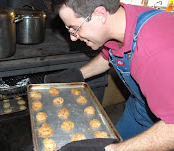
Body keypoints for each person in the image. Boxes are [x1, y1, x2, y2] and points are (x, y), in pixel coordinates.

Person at [45, 0, 174, 150]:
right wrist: (78, 74)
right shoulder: (120, 21)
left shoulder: (156, 52)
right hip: (139, 107)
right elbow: (110, 55)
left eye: (75, 28)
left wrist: (112, 150)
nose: (73, 37)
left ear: (100, 14)